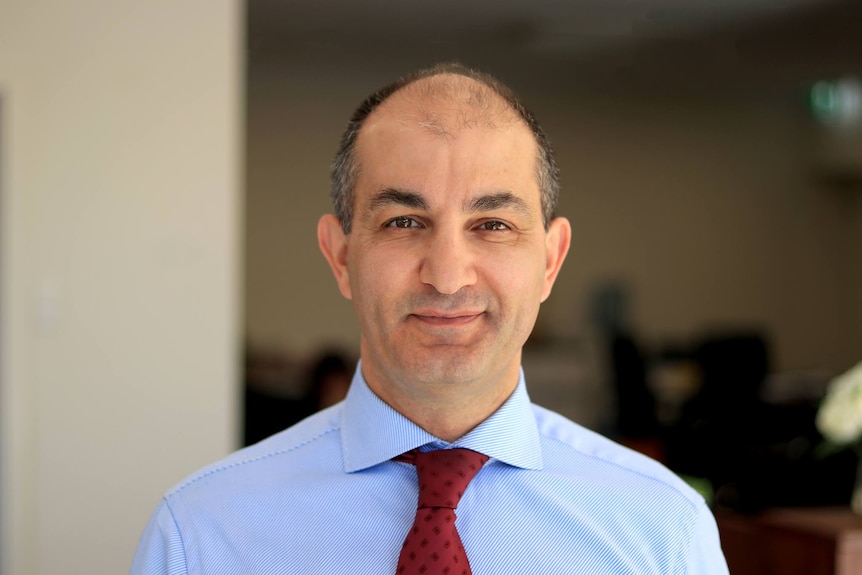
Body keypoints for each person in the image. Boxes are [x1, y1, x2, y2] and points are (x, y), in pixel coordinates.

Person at [131, 62, 729, 574]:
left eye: (492, 225)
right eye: (403, 223)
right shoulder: (201, 536)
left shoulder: (663, 532)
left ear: (550, 261)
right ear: (341, 256)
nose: (447, 275)